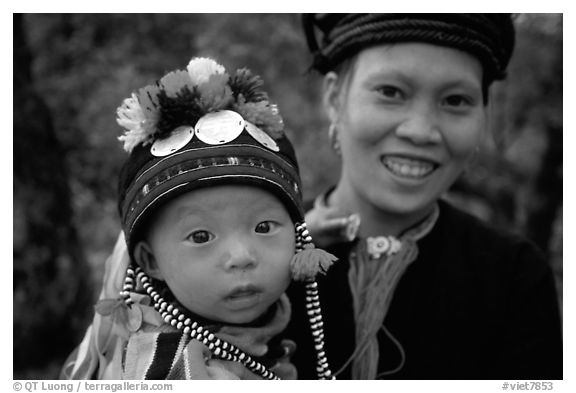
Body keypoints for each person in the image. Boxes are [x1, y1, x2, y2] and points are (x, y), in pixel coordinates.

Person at [284, 14, 562, 380]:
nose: (421, 131)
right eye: (390, 92)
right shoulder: (252, 259)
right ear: (335, 97)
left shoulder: (514, 279)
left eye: (456, 100)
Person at [60, 57, 336, 380]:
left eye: (263, 227)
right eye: (201, 237)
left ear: (298, 234)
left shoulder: (244, 329)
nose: (241, 257)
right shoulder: (172, 368)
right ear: (151, 261)